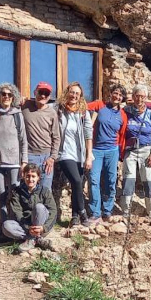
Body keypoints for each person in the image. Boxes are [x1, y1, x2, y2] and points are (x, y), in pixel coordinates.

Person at [85, 84, 127, 226]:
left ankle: (107, 211)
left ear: (122, 99)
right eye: (115, 93)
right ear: (110, 93)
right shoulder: (99, 105)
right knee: (94, 180)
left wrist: (120, 154)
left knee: (111, 180)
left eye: (120, 95)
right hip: (96, 149)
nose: (117, 97)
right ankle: (95, 213)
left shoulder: (122, 115)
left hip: (112, 151)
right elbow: (82, 107)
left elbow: (122, 135)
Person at [54, 82, 93, 227]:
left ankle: (74, 217)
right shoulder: (58, 109)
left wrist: (89, 156)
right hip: (64, 153)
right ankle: (82, 212)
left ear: (80, 96)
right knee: (76, 181)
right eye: (72, 92)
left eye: (77, 93)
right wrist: (26, 102)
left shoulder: (83, 113)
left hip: (80, 155)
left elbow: (88, 135)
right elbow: (43, 105)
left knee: (78, 185)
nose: (74, 95)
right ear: (67, 93)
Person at [0, 83, 28, 221]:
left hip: (14, 161)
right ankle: (4, 224)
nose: (6, 96)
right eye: (3, 94)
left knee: (14, 193)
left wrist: (24, 161)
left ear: (13, 97)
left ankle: (16, 222)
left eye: (9, 95)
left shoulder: (17, 115)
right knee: (1, 194)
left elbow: (23, 139)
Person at [121, 84, 151, 218]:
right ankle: (126, 211)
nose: (139, 99)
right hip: (130, 151)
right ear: (133, 97)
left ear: (146, 98)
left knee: (149, 181)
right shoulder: (126, 111)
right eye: (137, 96)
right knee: (128, 180)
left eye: (142, 96)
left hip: (146, 150)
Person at [3, 164, 58, 253]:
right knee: (6, 226)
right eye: (27, 176)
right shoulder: (17, 192)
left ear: (38, 177)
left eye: (33, 176)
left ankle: (33, 238)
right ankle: (36, 239)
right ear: (23, 176)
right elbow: (17, 213)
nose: (30, 179)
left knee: (39, 207)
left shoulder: (44, 191)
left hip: (41, 226)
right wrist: (28, 228)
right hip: (25, 226)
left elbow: (53, 211)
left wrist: (44, 227)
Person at [21, 82, 60, 192]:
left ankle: (43, 210)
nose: (43, 96)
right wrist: (19, 98)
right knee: (27, 189)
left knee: (45, 190)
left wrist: (52, 157)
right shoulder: (25, 106)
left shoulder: (52, 113)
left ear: (49, 96)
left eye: (46, 93)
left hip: (46, 157)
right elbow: (8, 101)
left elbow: (56, 137)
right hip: (29, 155)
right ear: (35, 93)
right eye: (40, 92)